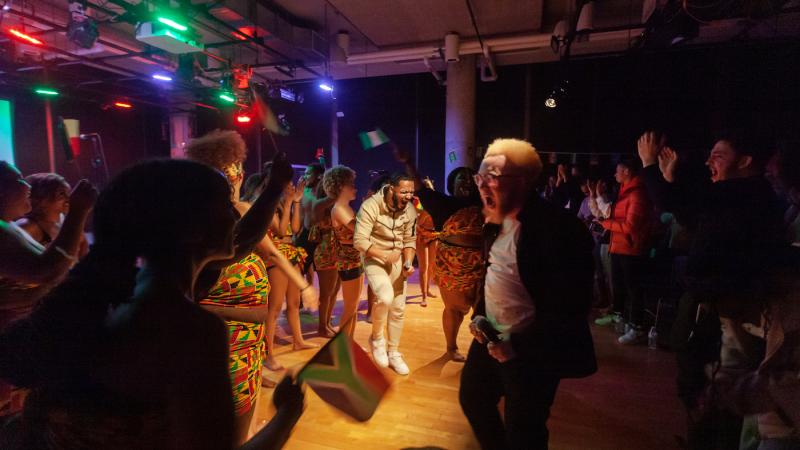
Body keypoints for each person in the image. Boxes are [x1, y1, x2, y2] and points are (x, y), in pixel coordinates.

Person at [0, 159, 305, 450]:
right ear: (192, 228)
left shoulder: (124, 288)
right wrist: (287, 414)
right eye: (225, 205)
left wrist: (275, 188)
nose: (234, 214)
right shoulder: (188, 328)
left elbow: (242, 241)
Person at [637, 130, 784, 449]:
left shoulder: (747, 192)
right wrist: (668, 177)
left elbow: (671, 201)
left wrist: (650, 166)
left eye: (718, 156)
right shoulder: (734, 197)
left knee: (716, 390)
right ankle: (699, 439)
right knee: (700, 385)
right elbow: (690, 215)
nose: (708, 162)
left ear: (745, 162)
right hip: (711, 305)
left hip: (727, 311)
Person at [459, 138, 596, 450]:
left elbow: (572, 305)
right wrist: (480, 313)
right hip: (491, 337)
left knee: (525, 428)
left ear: (522, 181)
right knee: (474, 399)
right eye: (479, 178)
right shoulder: (494, 221)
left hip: (533, 349)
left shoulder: (560, 229)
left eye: (490, 177)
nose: (481, 186)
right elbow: (494, 272)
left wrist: (518, 344)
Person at [0, 163, 96, 419]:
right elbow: (48, 270)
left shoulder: (7, 227)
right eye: (19, 179)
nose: (27, 186)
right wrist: (78, 212)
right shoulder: (9, 230)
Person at [396, 147, 483, 362]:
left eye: (470, 179)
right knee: (454, 310)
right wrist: (409, 162)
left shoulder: (486, 204)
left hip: (482, 266)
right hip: (452, 266)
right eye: (460, 179)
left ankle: (484, 351)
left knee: (485, 313)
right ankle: (451, 348)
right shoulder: (443, 202)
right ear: (451, 184)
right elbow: (419, 186)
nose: (466, 182)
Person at [354, 173, 417, 375]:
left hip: (398, 261)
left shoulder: (410, 210)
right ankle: (377, 338)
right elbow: (360, 241)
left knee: (398, 309)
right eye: (404, 191)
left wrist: (408, 261)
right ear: (391, 188)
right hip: (374, 258)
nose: (409, 196)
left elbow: (409, 240)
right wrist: (383, 254)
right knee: (385, 297)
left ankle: (394, 352)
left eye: (411, 192)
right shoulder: (371, 206)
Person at [594, 157, 655, 344]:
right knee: (619, 285)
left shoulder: (637, 194)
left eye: (618, 170)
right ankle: (619, 317)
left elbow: (631, 226)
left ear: (627, 171)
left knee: (633, 289)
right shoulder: (623, 192)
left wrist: (606, 224)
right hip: (619, 245)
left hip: (631, 248)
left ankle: (637, 327)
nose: (615, 174)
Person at [324, 165, 363, 337]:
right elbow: (358, 229)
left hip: (355, 259)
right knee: (350, 307)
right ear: (340, 187)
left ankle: (349, 344)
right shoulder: (339, 208)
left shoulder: (346, 207)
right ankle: (345, 348)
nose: (355, 188)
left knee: (353, 307)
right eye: (351, 184)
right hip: (348, 263)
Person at [17, 173, 89, 257]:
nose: (68, 198)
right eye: (61, 194)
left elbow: (83, 247)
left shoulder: (65, 219)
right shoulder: (27, 226)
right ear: (41, 199)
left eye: (68, 193)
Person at [308, 180, 340, 337]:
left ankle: (326, 323)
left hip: (338, 253)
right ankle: (321, 327)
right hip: (325, 253)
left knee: (334, 292)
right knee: (326, 293)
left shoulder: (337, 208)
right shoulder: (320, 208)